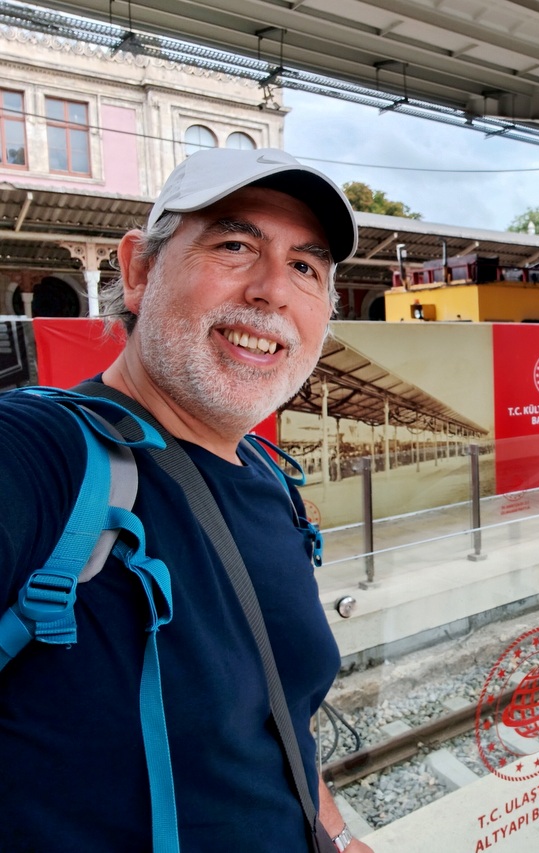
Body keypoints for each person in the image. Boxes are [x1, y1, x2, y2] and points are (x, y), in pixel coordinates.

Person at [0, 148, 372, 853]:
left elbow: (281, 715)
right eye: (235, 244)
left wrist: (340, 835)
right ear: (139, 270)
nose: (272, 290)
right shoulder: (41, 454)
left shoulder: (270, 478)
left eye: (306, 267)